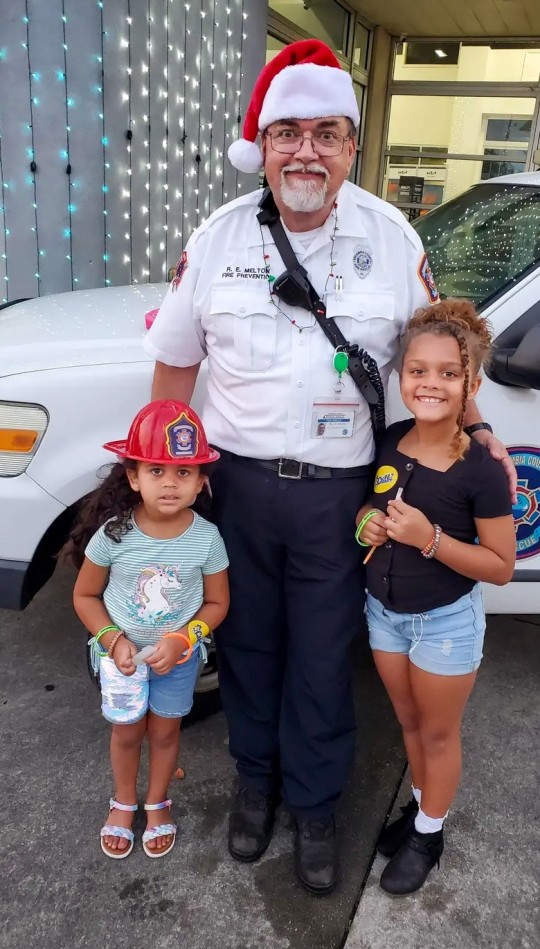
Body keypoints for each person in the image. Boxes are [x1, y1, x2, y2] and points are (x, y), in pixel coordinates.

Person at [143, 39, 516, 893]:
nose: (305, 151)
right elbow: (175, 362)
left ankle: (314, 806)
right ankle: (256, 783)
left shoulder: (390, 236)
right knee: (246, 643)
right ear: (263, 145)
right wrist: (169, 479)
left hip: (342, 494)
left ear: (352, 146)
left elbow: (440, 351)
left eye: (326, 134)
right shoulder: (219, 236)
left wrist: (479, 424)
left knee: (320, 655)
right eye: (288, 133)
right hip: (236, 487)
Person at [356, 300, 515, 896]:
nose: (431, 383)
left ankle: (429, 835)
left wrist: (431, 539)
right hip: (384, 615)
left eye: (450, 373)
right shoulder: (390, 441)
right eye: (418, 370)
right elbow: (367, 506)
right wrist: (366, 525)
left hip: (444, 623)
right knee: (409, 721)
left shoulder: (481, 469)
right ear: (401, 377)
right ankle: (422, 807)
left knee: (439, 733)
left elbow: (500, 566)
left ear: (471, 385)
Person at [65, 400, 229, 860]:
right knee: (126, 733)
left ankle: (157, 802)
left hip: (178, 660)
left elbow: (218, 603)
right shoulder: (114, 535)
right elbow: (85, 596)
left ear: (201, 480)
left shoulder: (207, 538)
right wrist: (112, 639)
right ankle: (123, 801)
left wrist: (184, 638)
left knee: (165, 733)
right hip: (120, 660)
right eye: (156, 471)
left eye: (183, 472)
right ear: (134, 477)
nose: (170, 483)